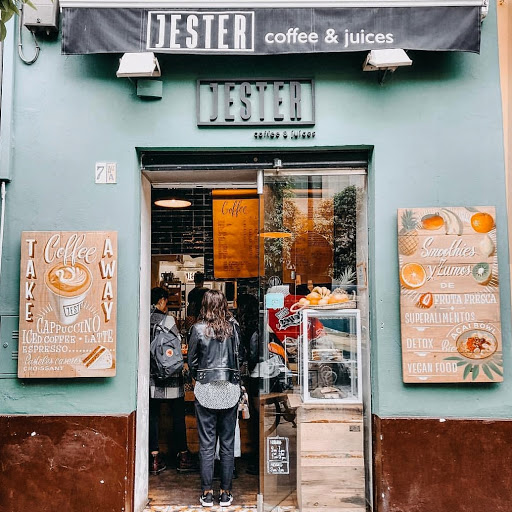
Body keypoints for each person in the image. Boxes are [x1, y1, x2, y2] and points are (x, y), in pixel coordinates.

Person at [188, 289, 242, 508]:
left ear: (204, 305)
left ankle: (207, 493)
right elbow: (240, 356)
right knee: (227, 444)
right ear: (224, 305)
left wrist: (200, 378)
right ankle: (226, 493)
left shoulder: (197, 329)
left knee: (207, 445)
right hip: (229, 389)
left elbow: (192, 361)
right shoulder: (233, 328)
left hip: (206, 390)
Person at [149, 287, 197, 475]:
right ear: (161, 300)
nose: (167, 306)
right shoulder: (168, 320)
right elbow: (176, 344)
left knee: (153, 416)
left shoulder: (144, 318)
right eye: (166, 302)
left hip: (152, 376)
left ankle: (154, 458)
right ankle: (183, 456)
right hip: (171, 377)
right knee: (178, 416)